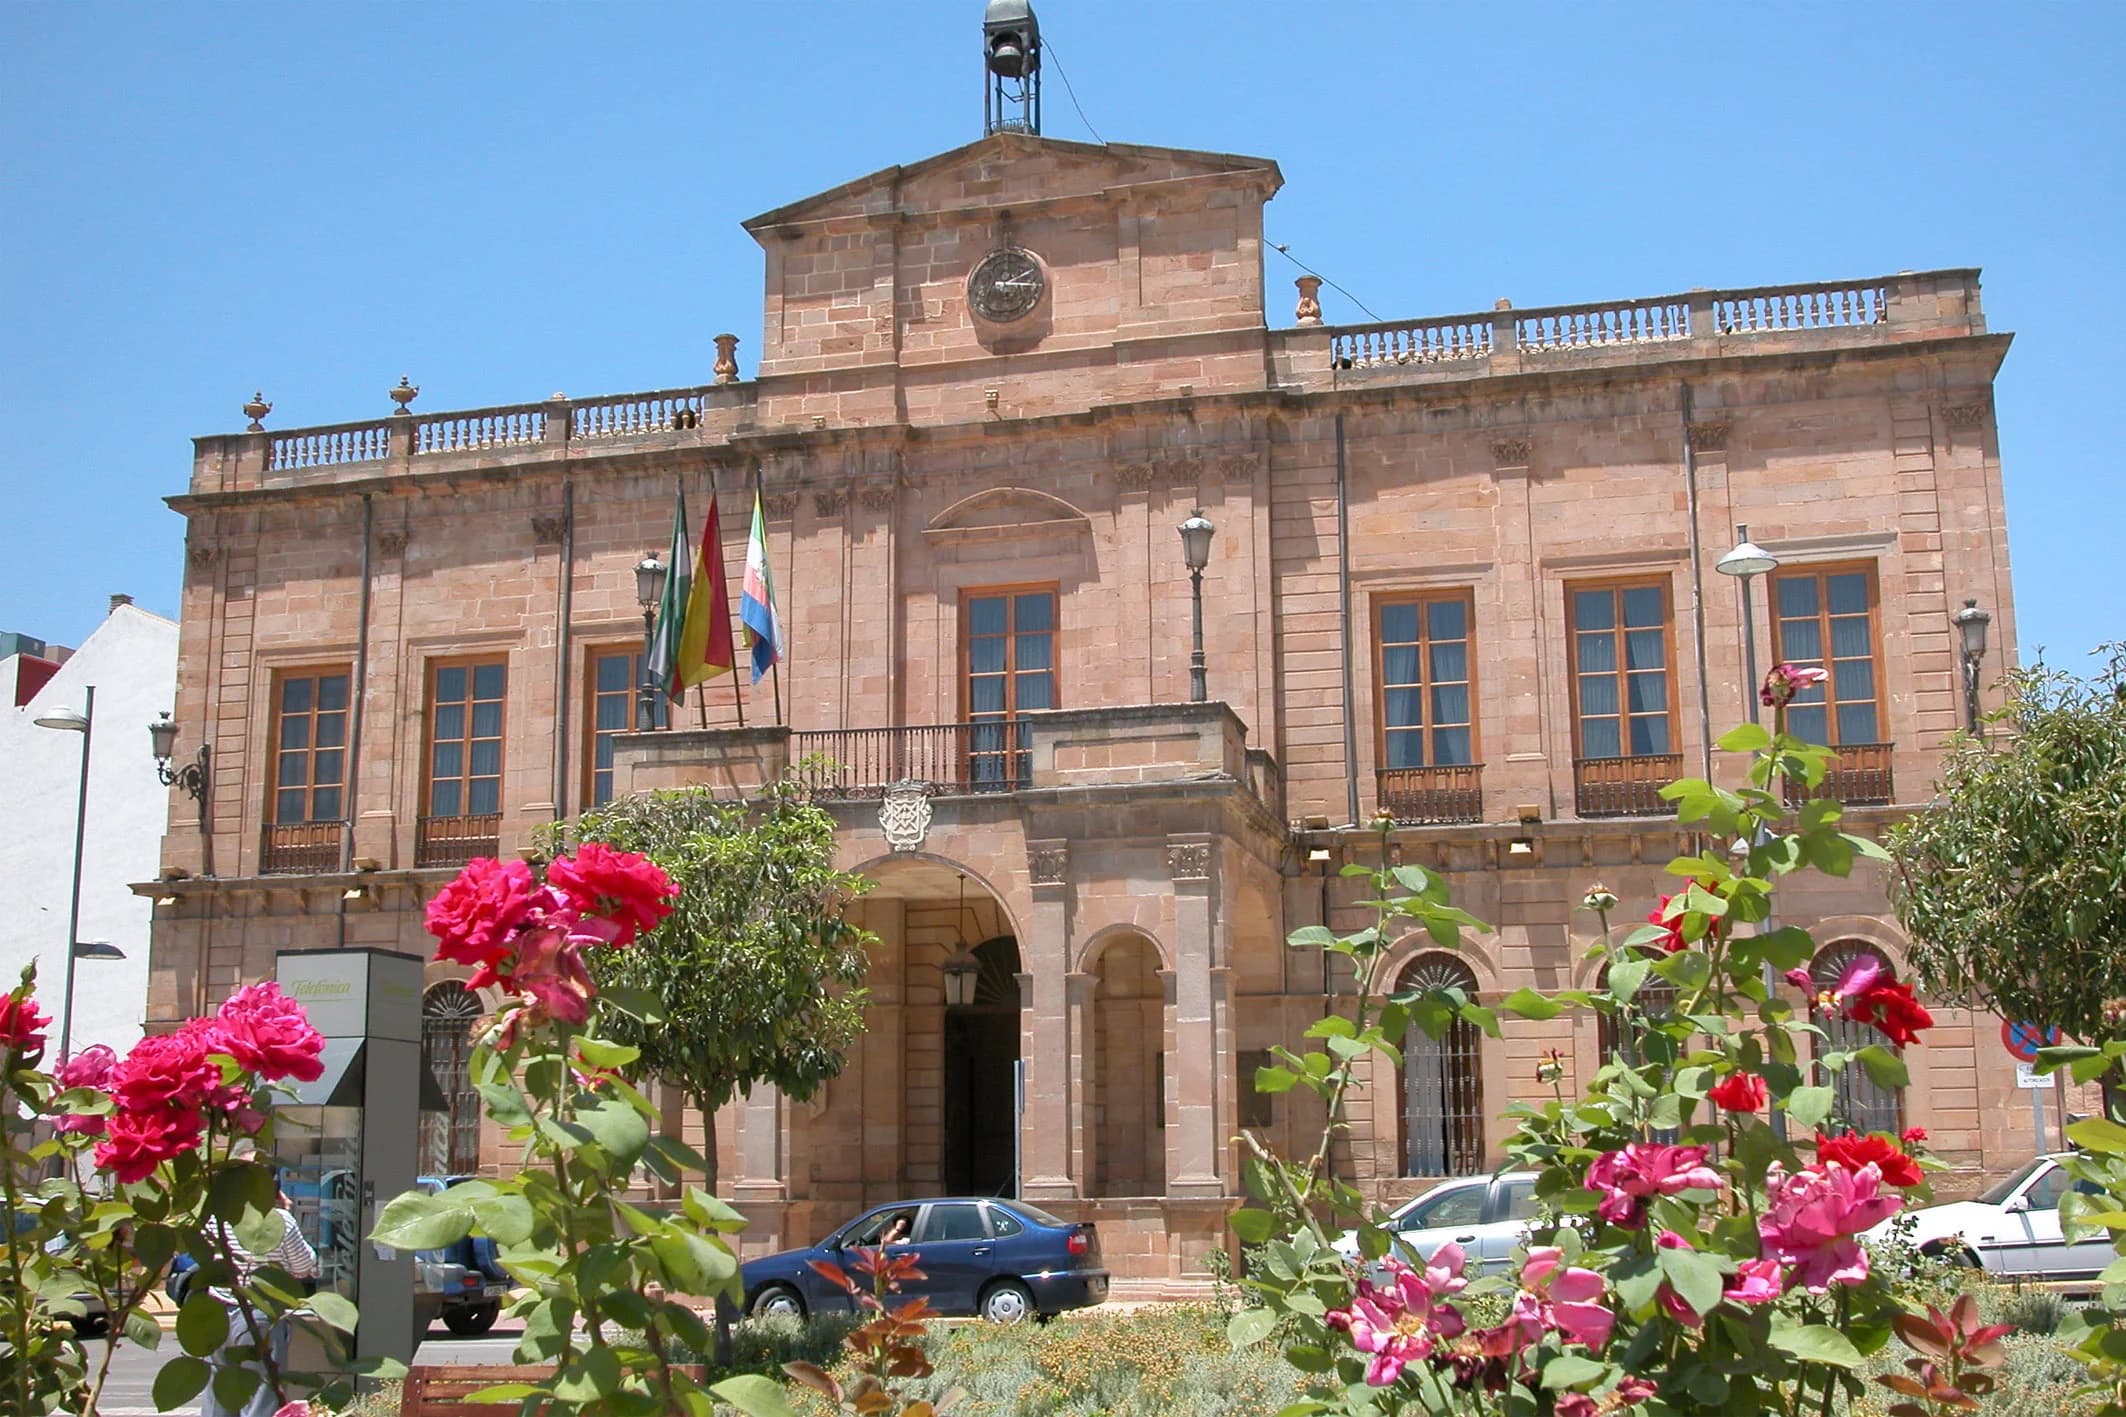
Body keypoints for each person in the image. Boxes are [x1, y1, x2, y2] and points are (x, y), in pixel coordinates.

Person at [199, 1191, 319, 1417]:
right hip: (260, 1313)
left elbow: (203, 1259)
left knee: (219, 1392)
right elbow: (303, 1266)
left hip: (217, 1311)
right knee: (261, 1395)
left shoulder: (216, 1217)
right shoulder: (279, 1219)